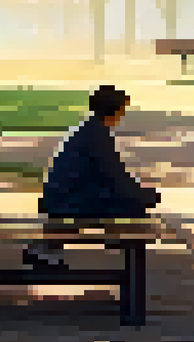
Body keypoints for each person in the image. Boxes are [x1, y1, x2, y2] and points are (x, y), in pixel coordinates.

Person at [23, 85, 161, 271]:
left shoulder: (89, 130)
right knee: (135, 208)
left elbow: (110, 176)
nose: (122, 116)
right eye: (122, 110)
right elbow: (115, 176)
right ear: (114, 110)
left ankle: (48, 248)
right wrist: (146, 196)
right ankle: (128, 263)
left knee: (131, 203)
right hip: (67, 202)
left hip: (61, 199)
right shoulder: (97, 135)